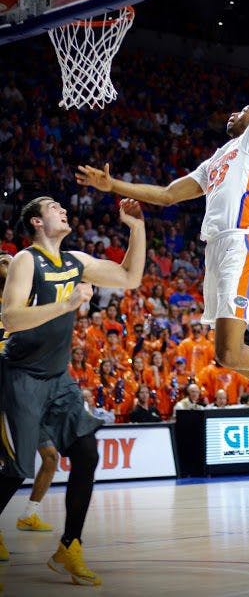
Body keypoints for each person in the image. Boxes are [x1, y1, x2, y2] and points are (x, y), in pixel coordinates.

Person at [76, 0, 249, 453]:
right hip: (215, 250)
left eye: (242, 109)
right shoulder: (215, 160)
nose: (234, 113)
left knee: (235, 353)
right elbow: (169, 194)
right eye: (236, 112)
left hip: (240, 245)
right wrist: (113, 184)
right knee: (226, 356)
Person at [0, 195, 145, 586]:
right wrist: (66, 304)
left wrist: (137, 228)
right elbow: (10, 317)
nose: (62, 208)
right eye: (51, 206)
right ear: (35, 222)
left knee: (86, 453)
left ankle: (70, 545)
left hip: (58, 378)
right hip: (21, 375)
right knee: (16, 470)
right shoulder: (26, 260)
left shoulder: (77, 260)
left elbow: (131, 278)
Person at [1, 250, 56, 534]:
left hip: (29, 391)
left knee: (50, 457)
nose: (8, 261)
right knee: (13, 466)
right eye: (3, 260)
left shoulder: (31, 306)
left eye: (11, 259)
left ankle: (30, 514)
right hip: (4, 391)